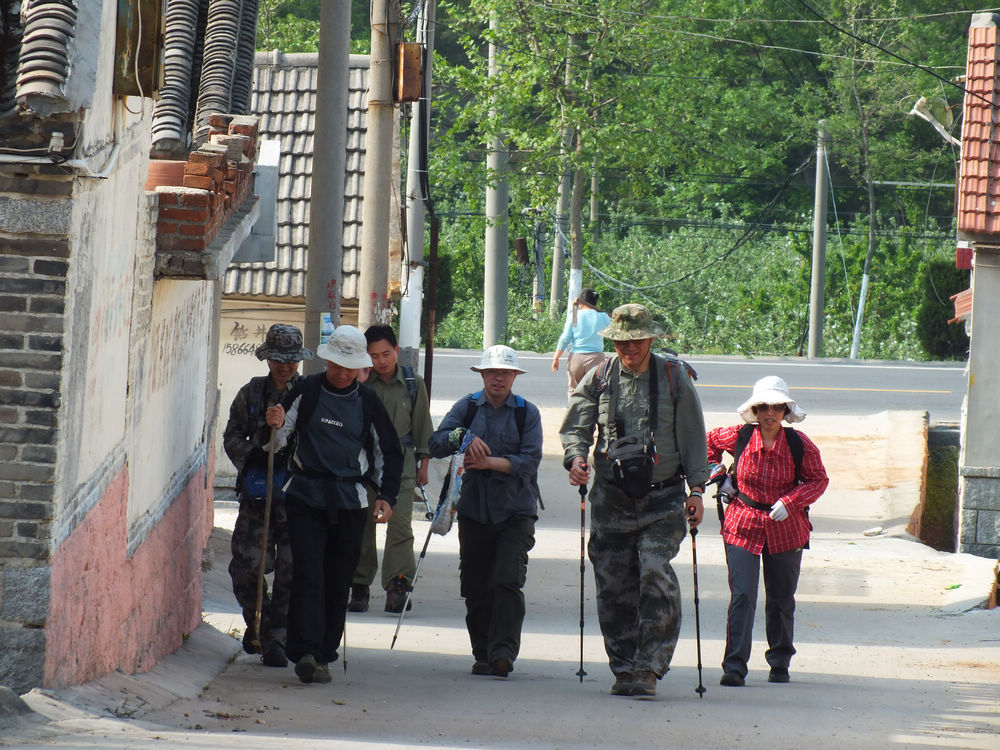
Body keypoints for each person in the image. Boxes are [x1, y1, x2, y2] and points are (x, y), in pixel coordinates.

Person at [560, 303, 709, 698]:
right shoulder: (599, 377)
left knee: (655, 573)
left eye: (637, 341)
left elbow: (695, 439)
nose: (630, 348)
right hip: (612, 498)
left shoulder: (675, 379)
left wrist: (696, 490)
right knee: (614, 584)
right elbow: (576, 427)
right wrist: (576, 459)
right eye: (622, 342)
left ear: (651, 338)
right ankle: (624, 666)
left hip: (663, 499)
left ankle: (649, 666)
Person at [264, 325, 403, 685]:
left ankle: (325, 653)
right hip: (305, 495)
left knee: (338, 579)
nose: (342, 374)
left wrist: (387, 496)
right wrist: (275, 425)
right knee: (308, 573)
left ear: (360, 368)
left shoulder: (368, 402)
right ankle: (305, 652)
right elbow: (279, 441)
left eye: (349, 367)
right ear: (327, 361)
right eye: (336, 365)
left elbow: (388, 451)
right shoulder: (306, 390)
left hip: (350, 500)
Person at [428, 345, 543, 679]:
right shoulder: (466, 408)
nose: (498, 378)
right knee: (476, 584)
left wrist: (488, 462)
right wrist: (462, 437)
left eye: (505, 373)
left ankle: (503, 652)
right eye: (492, 372)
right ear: (482, 374)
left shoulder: (527, 413)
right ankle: (482, 652)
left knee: (508, 580)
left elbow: (530, 461)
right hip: (474, 509)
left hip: (516, 510)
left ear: (514, 377)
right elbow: (436, 443)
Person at [707, 375, 828, 688]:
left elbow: (818, 480)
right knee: (743, 595)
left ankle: (780, 661)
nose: (770, 413)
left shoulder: (800, 444)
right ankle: (734, 666)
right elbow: (706, 444)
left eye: (776, 407)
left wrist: (790, 502)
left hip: (786, 526)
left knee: (781, 598)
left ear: (785, 411)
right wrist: (720, 477)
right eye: (763, 407)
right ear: (755, 410)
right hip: (743, 522)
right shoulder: (739, 436)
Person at [223, 323, 312, 669]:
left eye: (291, 360)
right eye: (278, 359)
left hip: (297, 499)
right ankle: (256, 623)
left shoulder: (308, 394)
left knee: (292, 570)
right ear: (268, 359)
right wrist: (254, 454)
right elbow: (231, 435)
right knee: (244, 566)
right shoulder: (251, 394)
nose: (285, 367)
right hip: (257, 496)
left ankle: (276, 636)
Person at [348, 325, 433, 614]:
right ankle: (359, 585)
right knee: (362, 525)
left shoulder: (412, 383)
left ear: (396, 351)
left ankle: (398, 585)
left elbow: (422, 425)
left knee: (399, 526)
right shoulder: (359, 382)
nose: (381, 361)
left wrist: (424, 463)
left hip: (404, 467)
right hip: (364, 467)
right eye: (373, 355)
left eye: (386, 353)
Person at [551, 287, 611, 397]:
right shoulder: (602, 316)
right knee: (594, 391)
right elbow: (614, 331)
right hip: (596, 358)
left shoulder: (575, 315)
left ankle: (574, 412)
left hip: (576, 358)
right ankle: (591, 413)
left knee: (574, 390)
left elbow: (566, 337)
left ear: (580, 301)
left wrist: (556, 357)